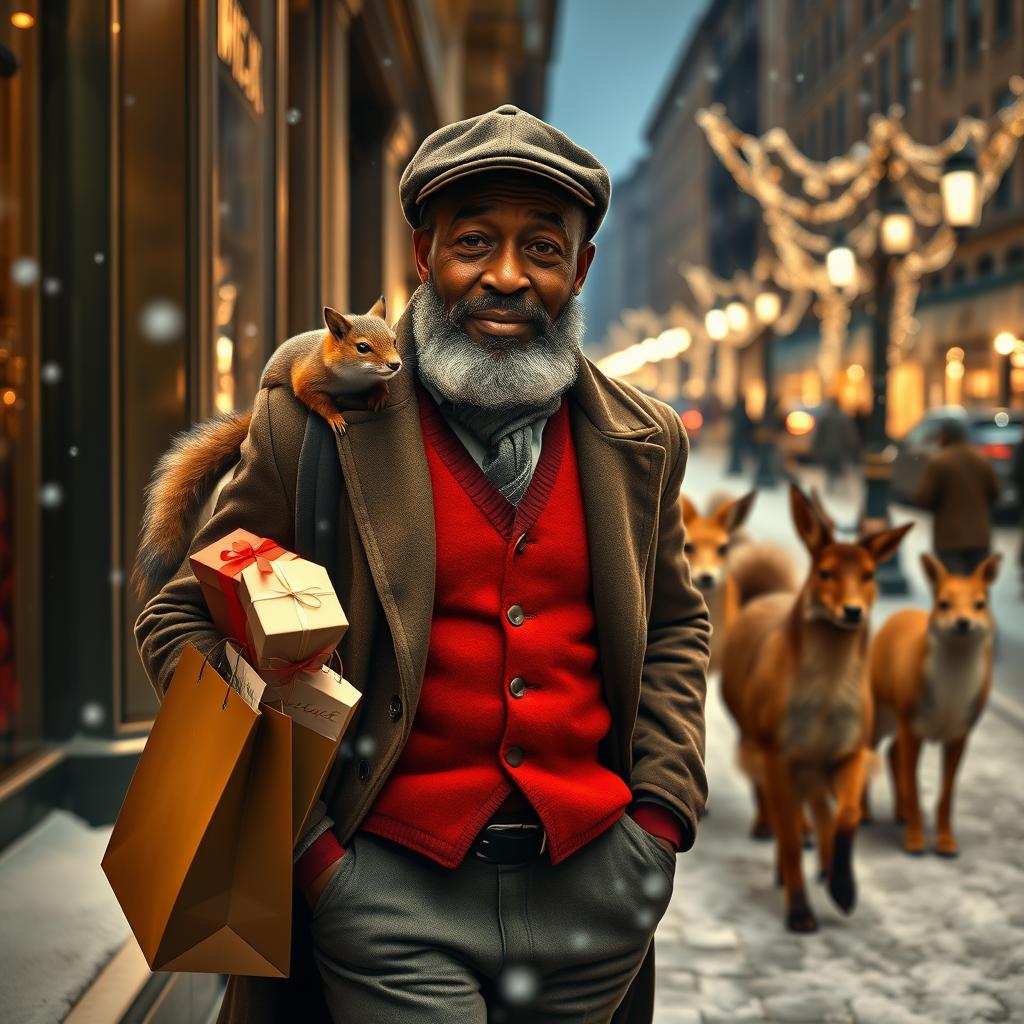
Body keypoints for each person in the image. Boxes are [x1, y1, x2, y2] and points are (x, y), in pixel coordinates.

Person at [134, 103, 710, 1024]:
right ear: (422, 253)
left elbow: (678, 624)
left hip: (595, 893)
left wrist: (661, 820)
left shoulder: (641, 440)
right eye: (475, 242)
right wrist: (314, 852)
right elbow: (182, 618)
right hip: (383, 893)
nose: (508, 277)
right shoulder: (313, 428)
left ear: (583, 268)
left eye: (545, 250)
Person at [914, 417, 1001, 575]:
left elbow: (923, 498)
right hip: (979, 536)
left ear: (944, 436)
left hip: (949, 538)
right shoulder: (981, 459)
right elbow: (995, 492)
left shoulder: (939, 462)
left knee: (954, 587)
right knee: (977, 587)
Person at [810, 395, 859, 494]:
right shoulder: (844, 418)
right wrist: (852, 447)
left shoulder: (826, 418)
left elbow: (819, 434)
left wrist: (816, 446)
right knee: (838, 468)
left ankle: (832, 487)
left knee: (830, 469)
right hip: (840, 450)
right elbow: (850, 436)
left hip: (828, 448)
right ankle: (837, 488)